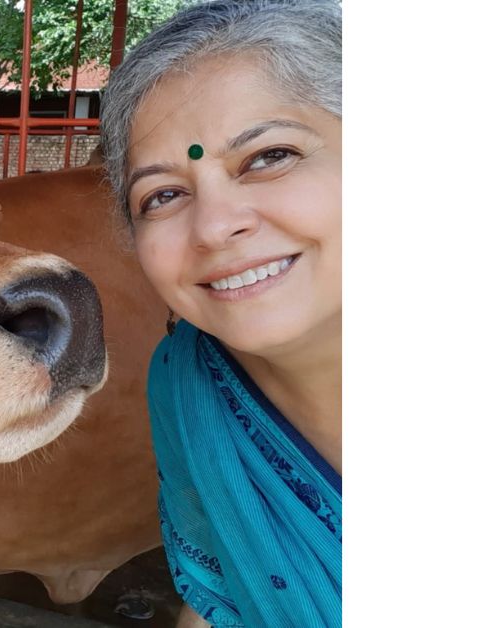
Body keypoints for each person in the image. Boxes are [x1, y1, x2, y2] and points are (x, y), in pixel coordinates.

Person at [100, 1, 341, 626]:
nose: (212, 227)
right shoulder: (186, 383)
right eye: (164, 195)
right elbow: (221, 599)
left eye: (268, 157)